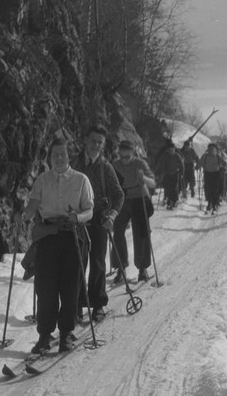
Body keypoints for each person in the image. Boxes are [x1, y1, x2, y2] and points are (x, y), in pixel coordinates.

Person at [21, 137, 94, 354]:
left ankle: (66, 334)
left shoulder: (81, 180)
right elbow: (32, 207)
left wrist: (78, 217)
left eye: (63, 154)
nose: (59, 158)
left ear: (69, 156)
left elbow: (89, 210)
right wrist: (22, 216)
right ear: (50, 157)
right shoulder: (42, 180)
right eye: (55, 154)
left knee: (70, 288)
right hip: (48, 237)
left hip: (72, 236)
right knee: (45, 288)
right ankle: (44, 335)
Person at [70, 125, 124, 323]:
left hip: (99, 218)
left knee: (98, 262)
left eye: (100, 142)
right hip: (77, 219)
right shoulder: (73, 163)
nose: (96, 145)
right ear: (85, 140)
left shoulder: (105, 167)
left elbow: (118, 194)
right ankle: (76, 304)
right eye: (93, 141)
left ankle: (98, 303)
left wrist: (112, 216)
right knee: (77, 262)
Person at [112, 139, 157, 283]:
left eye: (128, 156)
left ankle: (142, 268)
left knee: (142, 233)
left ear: (133, 153)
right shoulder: (115, 165)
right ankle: (120, 267)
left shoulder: (140, 164)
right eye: (122, 156)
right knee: (117, 232)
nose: (124, 160)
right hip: (122, 199)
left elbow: (153, 183)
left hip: (139, 197)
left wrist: (143, 178)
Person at [154, 138, 184, 210]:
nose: (171, 151)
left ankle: (174, 201)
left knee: (174, 188)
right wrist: (158, 172)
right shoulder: (165, 155)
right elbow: (160, 163)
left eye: (172, 149)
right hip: (167, 174)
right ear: (167, 149)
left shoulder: (177, 155)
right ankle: (169, 201)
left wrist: (181, 172)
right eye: (170, 150)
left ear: (174, 149)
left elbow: (181, 164)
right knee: (168, 188)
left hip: (175, 174)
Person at [199, 142, 226, 213]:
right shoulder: (205, 156)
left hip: (216, 175)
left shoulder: (218, 156)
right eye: (210, 149)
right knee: (208, 189)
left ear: (215, 149)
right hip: (207, 174)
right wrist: (197, 166)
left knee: (215, 190)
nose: (211, 150)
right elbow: (200, 162)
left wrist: (224, 166)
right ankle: (209, 203)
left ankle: (215, 204)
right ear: (208, 149)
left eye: (212, 149)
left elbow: (224, 163)